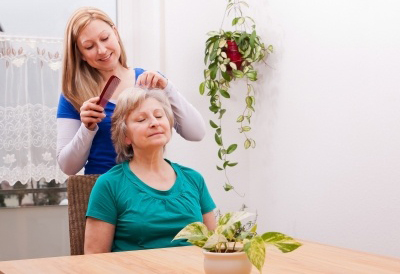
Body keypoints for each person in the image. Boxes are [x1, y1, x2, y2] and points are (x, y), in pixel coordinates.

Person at [56, 7, 205, 175]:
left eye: (105, 38)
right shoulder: (73, 95)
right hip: (102, 191)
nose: (102, 50)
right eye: (89, 46)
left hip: (149, 186)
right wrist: (87, 128)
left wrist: (168, 89)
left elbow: (197, 133)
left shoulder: (150, 83)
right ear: (80, 54)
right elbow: (68, 167)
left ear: (116, 33)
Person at [84, 88, 216, 253]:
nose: (155, 123)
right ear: (126, 136)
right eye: (141, 119)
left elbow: (214, 248)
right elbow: (94, 259)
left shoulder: (194, 179)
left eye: (159, 116)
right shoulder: (109, 185)